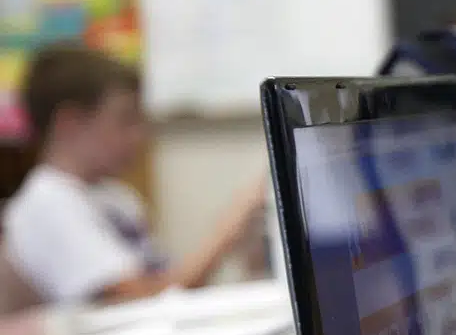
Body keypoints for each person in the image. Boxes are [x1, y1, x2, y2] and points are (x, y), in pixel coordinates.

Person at [3, 43, 267, 304]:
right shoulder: (47, 203)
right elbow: (144, 299)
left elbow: (170, 287)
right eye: (126, 119)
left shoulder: (117, 198)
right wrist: (225, 232)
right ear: (69, 123)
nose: (140, 136)